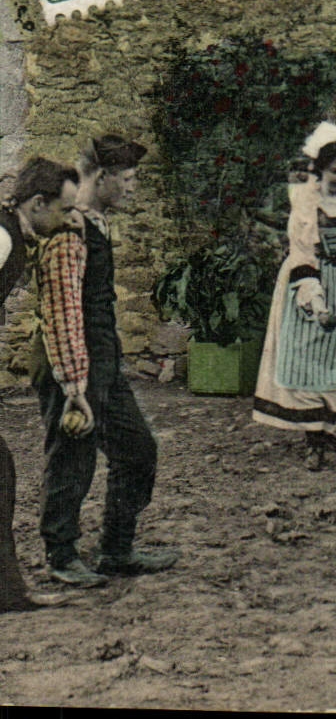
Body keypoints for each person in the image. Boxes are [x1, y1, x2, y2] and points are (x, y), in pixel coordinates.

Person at [31, 137, 177, 588]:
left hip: (101, 358)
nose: (133, 189)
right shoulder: (69, 229)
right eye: (128, 179)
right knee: (72, 455)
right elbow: (61, 310)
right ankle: (61, 555)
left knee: (136, 451)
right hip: (68, 358)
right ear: (102, 176)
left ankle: (116, 549)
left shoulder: (96, 222)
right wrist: (74, 382)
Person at [253, 123, 336, 471]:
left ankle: (328, 428)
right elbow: (301, 255)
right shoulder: (306, 202)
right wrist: (315, 302)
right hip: (309, 281)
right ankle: (312, 438)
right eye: (335, 172)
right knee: (306, 358)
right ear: (319, 170)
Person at [0, 160, 76, 606]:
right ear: (37, 203)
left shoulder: (14, 236)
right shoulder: (4, 236)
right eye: (63, 211)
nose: (67, 220)